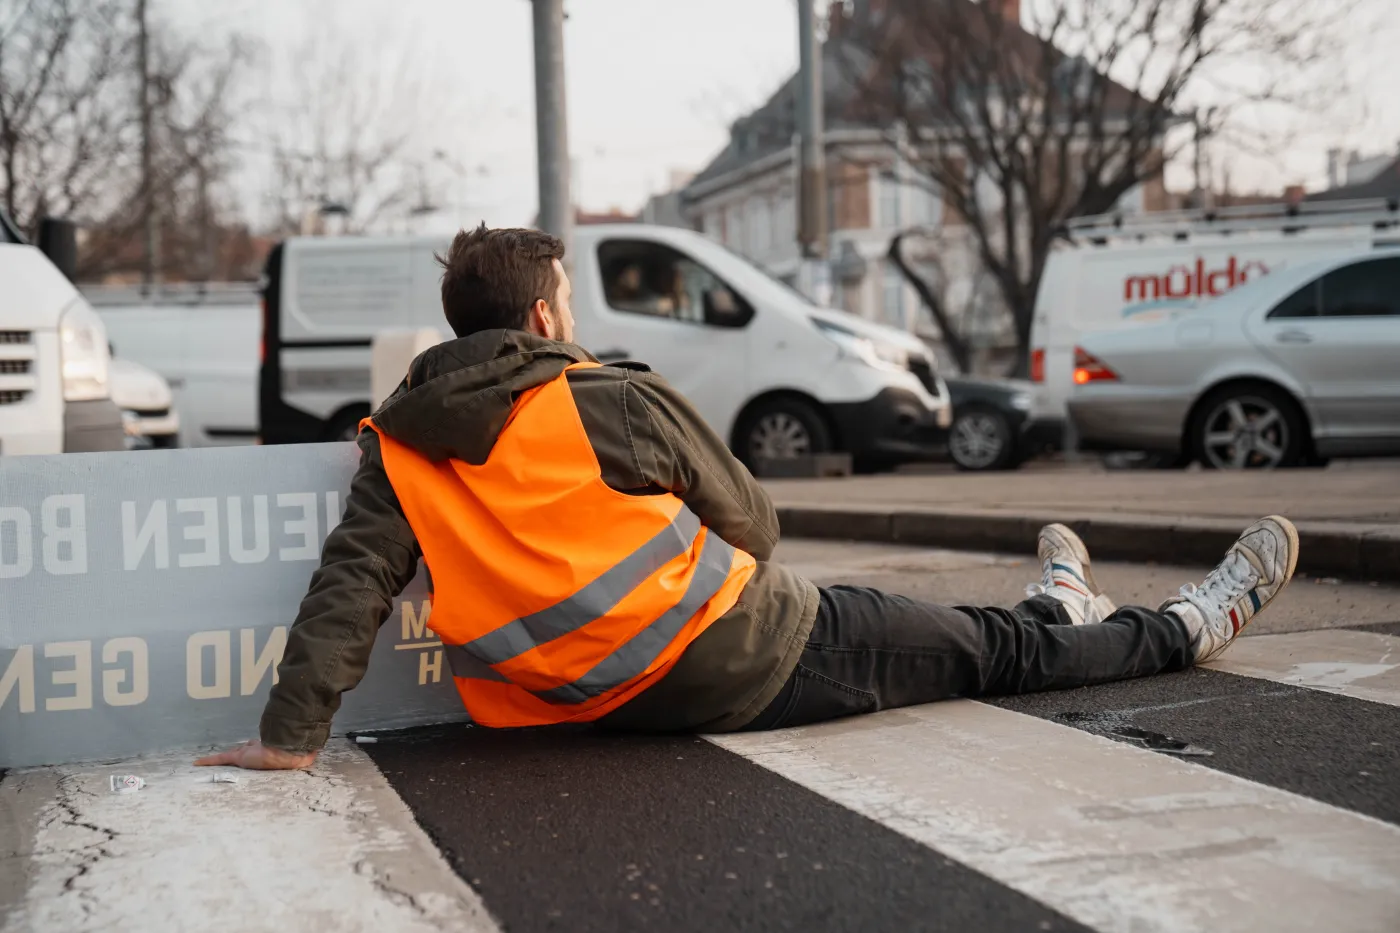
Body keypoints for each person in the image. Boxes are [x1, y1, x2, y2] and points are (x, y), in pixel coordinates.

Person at [195, 225, 1299, 771]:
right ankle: (1188, 625)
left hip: (594, 706)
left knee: (945, 630)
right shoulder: (600, 397)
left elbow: (348, 589)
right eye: (566, 302)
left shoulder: (398, 443)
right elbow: (755, 527)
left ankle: (1056, 603)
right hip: (749, 653)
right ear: (540, 320)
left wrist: (291, 738)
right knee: (974, 653)